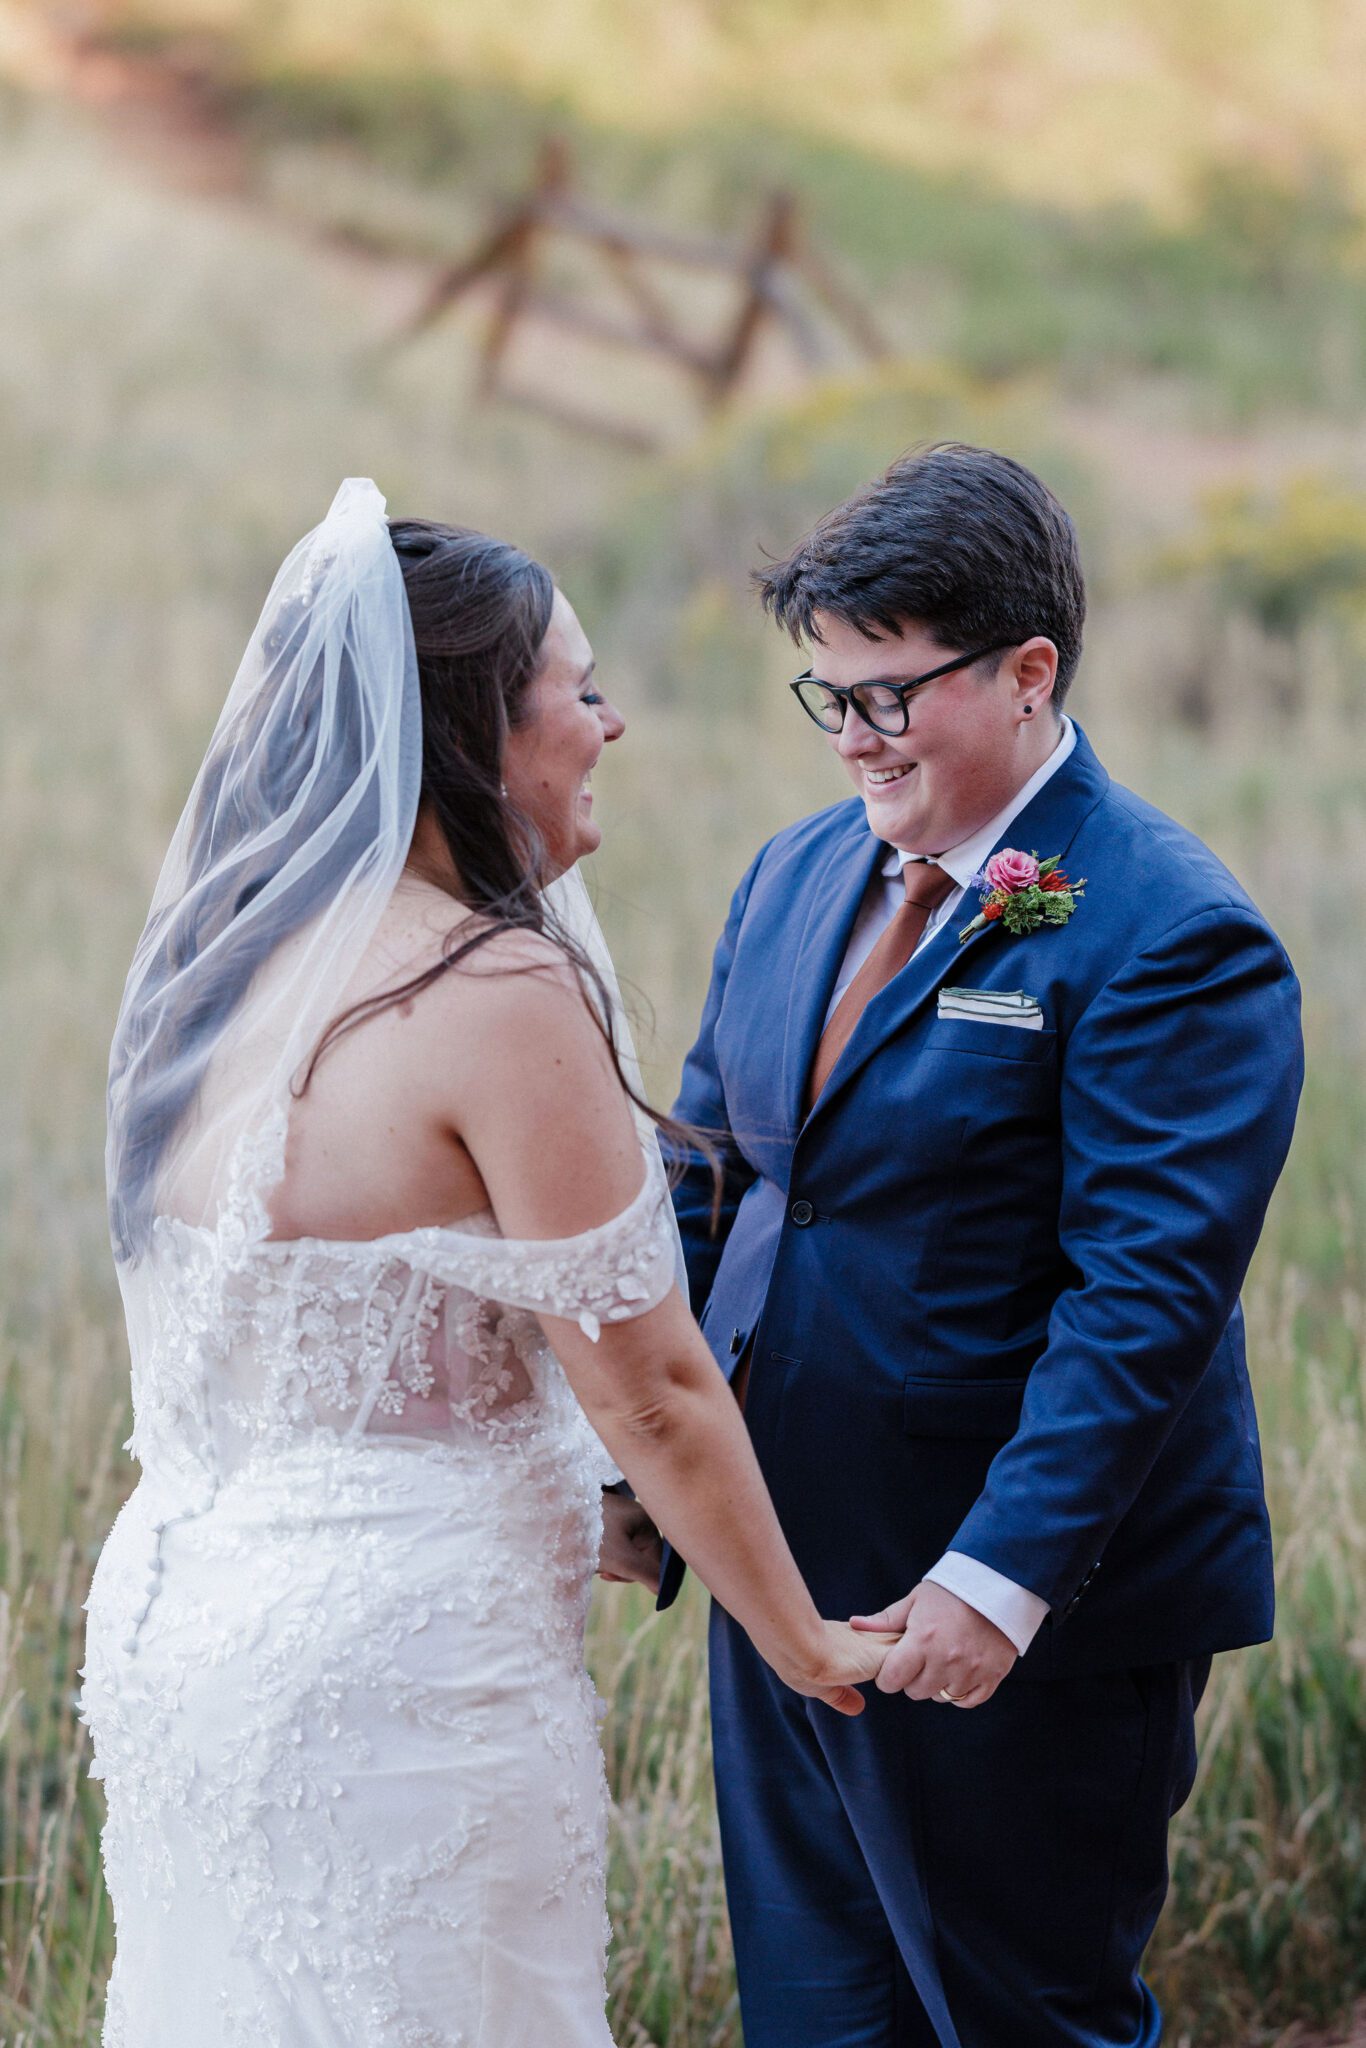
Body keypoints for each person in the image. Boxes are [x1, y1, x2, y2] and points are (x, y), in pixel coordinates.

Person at [78, 479, 887, 2048]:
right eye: (574, 691)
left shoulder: (219, 968)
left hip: (184, 1630)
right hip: (400, 1674)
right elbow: (649, 1387)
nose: (610, 723)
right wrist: (804, 1642)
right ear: (469, 735)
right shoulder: (495, 987)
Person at [661, 443, 1304, 2047]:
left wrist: (993, 1583)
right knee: (813, 2021)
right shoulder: (793, 874)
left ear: (1029, 673)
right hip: (780, 1582)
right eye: (828, 697)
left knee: (1019, 2023)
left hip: (1020, 1621)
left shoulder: (1172, 929)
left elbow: (1141, 1300)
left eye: (890, 695)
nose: (855, 740)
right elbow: (714, 1183)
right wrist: (641, 1476)